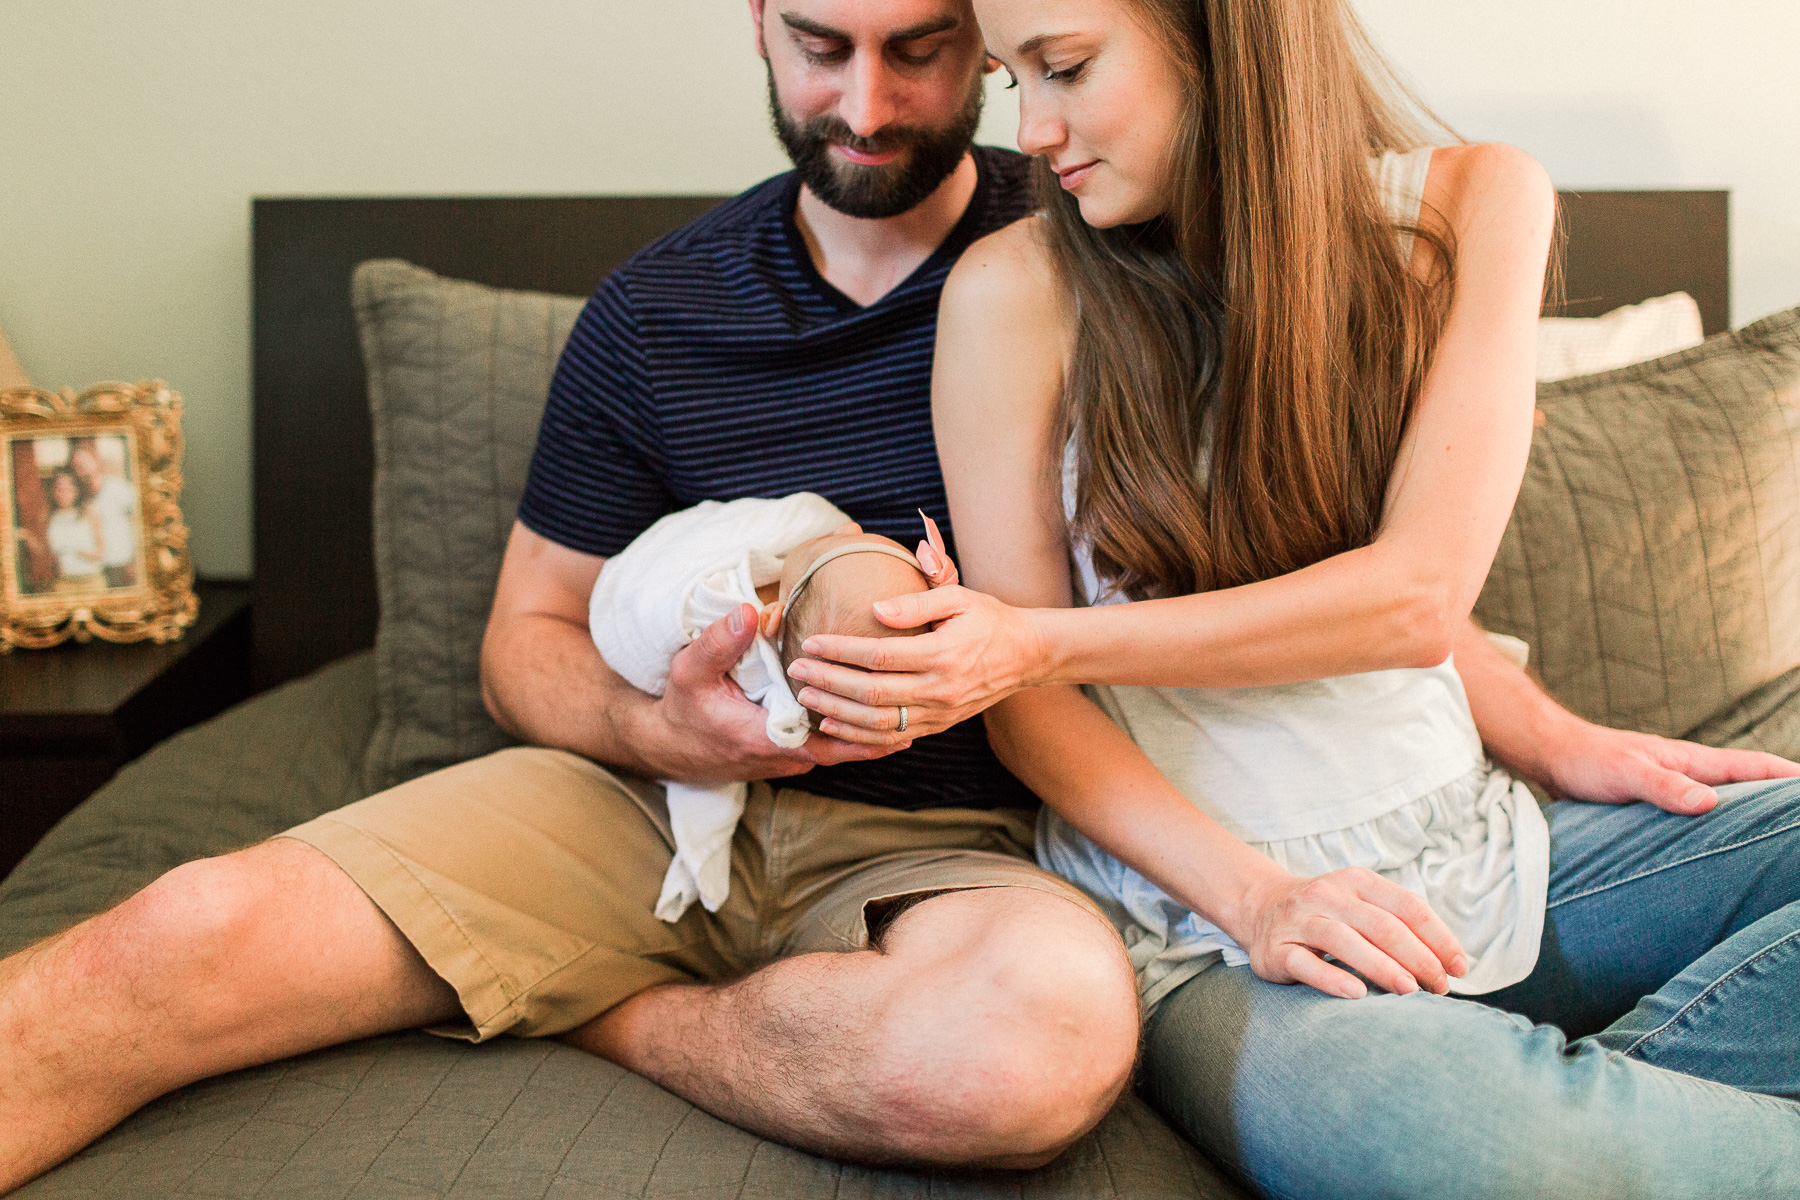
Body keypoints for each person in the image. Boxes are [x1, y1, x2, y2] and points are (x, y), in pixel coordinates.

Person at [0, 0, 1790, 1192]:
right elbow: (514, 648)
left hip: (956, 840)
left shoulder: (1113, 239)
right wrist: (654, 717)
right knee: (175, 940)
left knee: (1037, 1044)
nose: (870, 101)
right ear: (759, 30)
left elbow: (1338, 562)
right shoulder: (673, 311)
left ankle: (620, 1008)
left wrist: (1548, 727)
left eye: (941, 51)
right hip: (659, 794)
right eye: (820, 41)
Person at [780, 0, 1800, 1194]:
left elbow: (1415, 598)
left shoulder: (1478, 204)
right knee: (1490, 1146)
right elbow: (1032, 711)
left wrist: (1563, 742)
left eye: (1064, 68)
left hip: (1485, 845)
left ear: (1222, 33)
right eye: (1013, 79)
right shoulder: (1016, 288)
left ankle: (1592, 1114)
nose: (1035, 130)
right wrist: (1261, 901)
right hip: (1211, 929)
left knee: (1543, 1146)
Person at [587, 491, 949, 921]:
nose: (849, 528)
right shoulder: (797, 641)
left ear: (774, 616)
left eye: (830, 545)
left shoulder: (727, 606)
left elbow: (785, 723)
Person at [71, 437, 138, 589]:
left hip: (124, 565)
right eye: (76, 467)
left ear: (95, 460)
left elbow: (139, 523)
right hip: (97, 571)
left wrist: (136, 560)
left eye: (84, 462)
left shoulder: (119, 488)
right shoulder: (81, 499)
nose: (81, 468)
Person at [41, 467, 106, 594]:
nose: (63, 493)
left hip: (91, 581)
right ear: (53, 491)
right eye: (59, 489)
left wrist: (78, 552)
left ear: (76, 490)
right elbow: (47, 550)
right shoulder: (49, 517)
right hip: (63, 583)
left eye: (68, 489)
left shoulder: (89, 513)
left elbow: (101, 551)